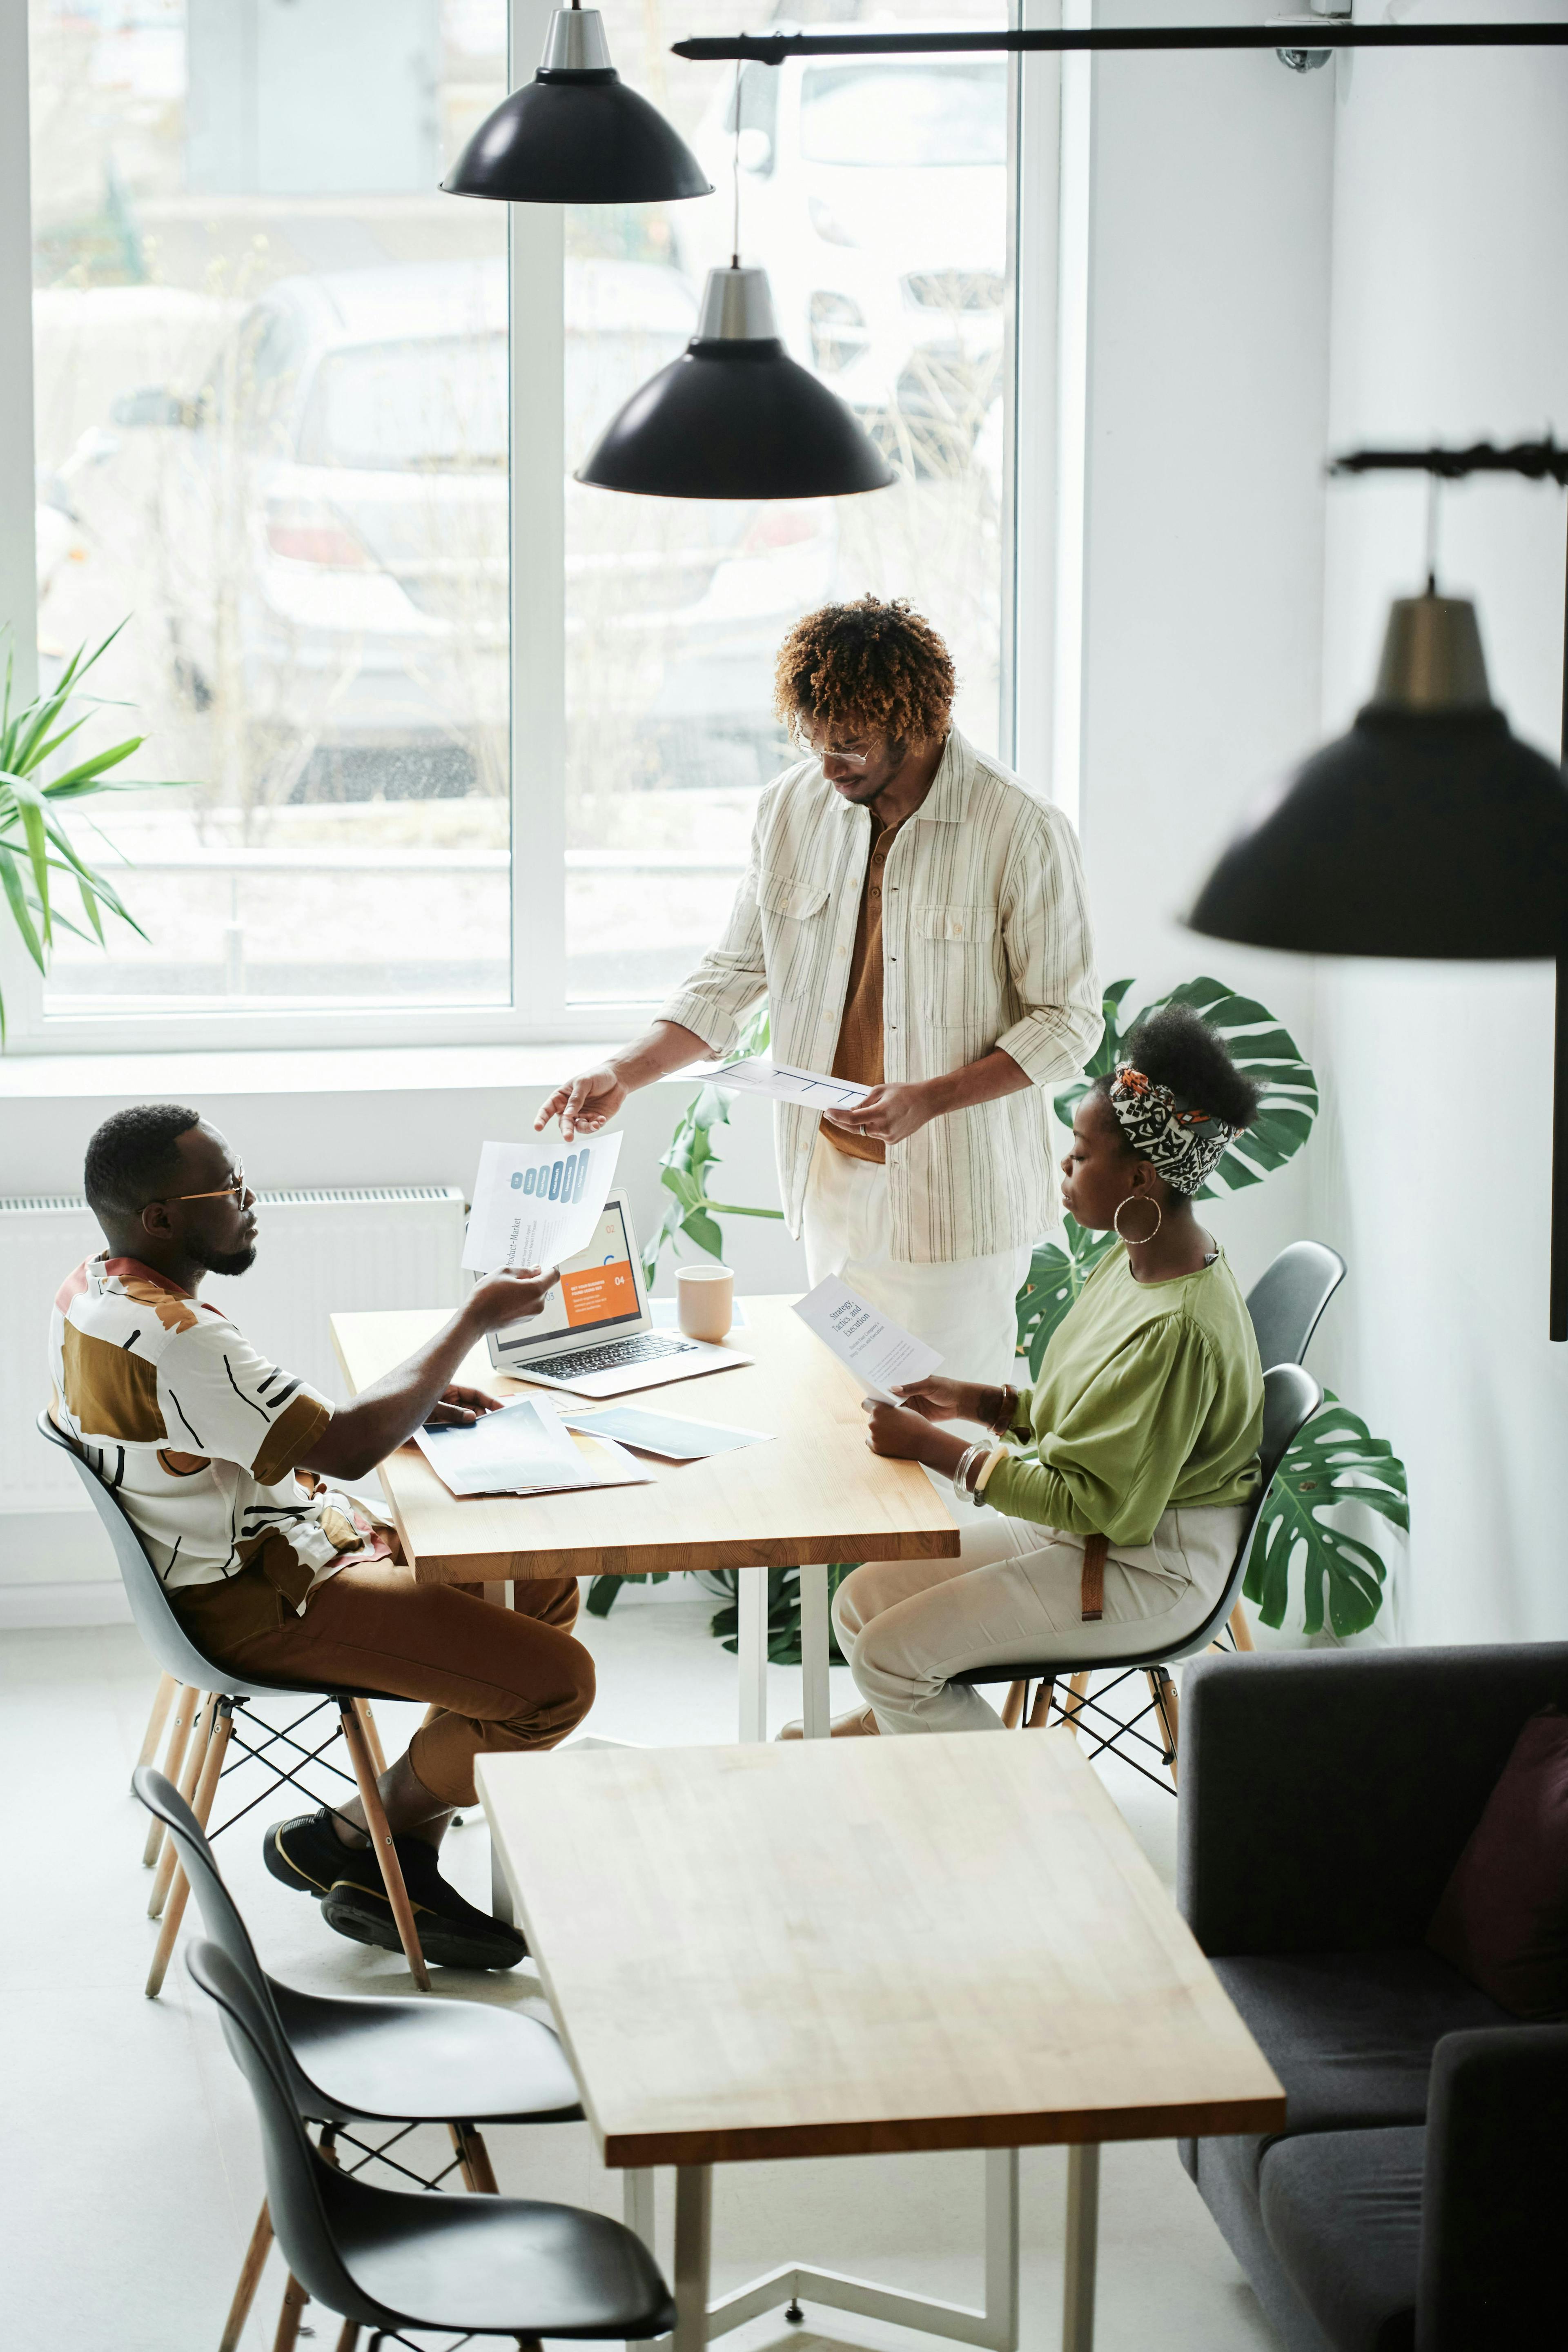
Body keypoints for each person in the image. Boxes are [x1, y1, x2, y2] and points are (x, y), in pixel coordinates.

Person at [50, 1103, 592, 1970]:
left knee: (539, 1582)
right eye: (227, 1188)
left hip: (258, 1546)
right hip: (257, 1600)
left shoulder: (98, 1290)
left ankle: (393, 1852)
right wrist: (471, 1322)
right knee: (557, 1686)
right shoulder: (179, 1339)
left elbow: (286, 1423)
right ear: (162, 1217)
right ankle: (361, 1833)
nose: (248, 1198)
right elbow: (342, 1448)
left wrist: (408, 1406)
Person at [535, 596, 1100, 1394]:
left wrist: (930, 1099)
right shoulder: (794, 810)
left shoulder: (1020, 829)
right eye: (814, 742)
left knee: (937, 1444)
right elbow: (735, 971)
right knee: (842, 1426)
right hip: (832, 1187)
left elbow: (1068, 1023)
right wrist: (624, 1072)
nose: (829, 768)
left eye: (852, 747)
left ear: (918, 719)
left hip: (955, 1203)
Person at [827, 1005, 1265, 1735]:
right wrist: (978, 1400)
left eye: (1080, 1153)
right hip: (1103, 1527)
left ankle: (1016, 1830)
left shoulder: (1179, 1326)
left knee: (890, 1659)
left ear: (1142, 1176)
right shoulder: (1140, 1257)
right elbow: (1096, 1417)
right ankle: (918, 1775)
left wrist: (940, 1450)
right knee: (861, 1602)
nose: (1064, 1167)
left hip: (1152, 1566)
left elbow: (1100, 1504)